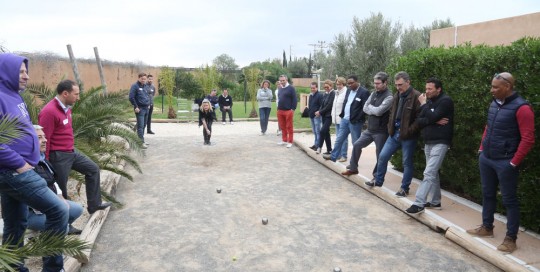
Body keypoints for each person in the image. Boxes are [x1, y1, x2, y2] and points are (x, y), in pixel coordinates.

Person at [0, 53, 68, 272]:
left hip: (19, 168)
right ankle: (53, 269)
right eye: (21, 72)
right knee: (59, 210)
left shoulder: (15, 96)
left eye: (26, 71)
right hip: (13, 170)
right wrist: (19, 163)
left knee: (15, 224)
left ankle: (13, 268)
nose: (26, 76)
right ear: (6, 71)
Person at [466, 72, 535, 253]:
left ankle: (511, 238)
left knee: (509, 200)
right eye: (492, 86)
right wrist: (482, 149)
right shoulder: (495, 103)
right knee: (487, 194)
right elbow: (488, 127)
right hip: (487, 158)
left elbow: (528, 138)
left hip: (506, 162)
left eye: (496, 87)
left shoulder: (523, 108)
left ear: (508, 87)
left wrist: (513, 162)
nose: (492, 90)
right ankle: (487, 227)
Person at [38, 79, 112, 214]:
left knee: (93, 169)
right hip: (58, 155)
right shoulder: (49, 111)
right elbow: (44, 139)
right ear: (65, 93)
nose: (78, 97)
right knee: (61, 188)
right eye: (76, 94)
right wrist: (46, 163)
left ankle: (94, 205)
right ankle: (65, 222)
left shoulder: (66, 109)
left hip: (71, 152)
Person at [366, 71, 421, 197]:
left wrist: (408, 131)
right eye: (396, 85)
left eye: (400, 85)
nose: (398, 87)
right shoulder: (397, 95)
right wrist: (390, 127)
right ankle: (378, 181)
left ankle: (404, 188)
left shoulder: (416, 96)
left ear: (408, 82)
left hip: (408, 136)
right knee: (383, 156)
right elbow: (392, 113)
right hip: (394, 133)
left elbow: (419, 119)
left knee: (407, 162)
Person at [405, 77, 454, 214]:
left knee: (429, 172)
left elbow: (429, 117)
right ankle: (435, 201)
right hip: (428, 141)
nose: (426, 91)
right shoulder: (430, 102)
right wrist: (434, 119)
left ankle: (419, 203)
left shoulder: (445, 101)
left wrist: (424, 106)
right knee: (433, 173)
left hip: (441, 141)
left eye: (430, 89)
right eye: (426, 89)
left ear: (439, 89)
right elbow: (419, 120)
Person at [29, 125, 84, 235]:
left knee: (77, 209)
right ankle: (52, 231)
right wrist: (57, 207)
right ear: (28, 141)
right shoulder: (26, 166)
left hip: (49, 205)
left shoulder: (42, 158)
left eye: (44, 137)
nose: (45, 140)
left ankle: (53, 228)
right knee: (61, 225)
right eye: (39, 137)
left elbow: (53, 181)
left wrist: (61, 198)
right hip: (32, 213)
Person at [341, 72, 393, 178]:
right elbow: (365, 107)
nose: (375, 85)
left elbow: (379, 111)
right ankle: (353, 168)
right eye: (374, 83)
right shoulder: (374, 93)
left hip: (381, 131)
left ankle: (376, 177)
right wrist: (374, 110)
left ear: (385, 83)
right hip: (370, 129)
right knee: (357, 145)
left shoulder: (389, 97)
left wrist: (372, 109)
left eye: (378, 83)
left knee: (380, 155)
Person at [323, 75, 370, 162]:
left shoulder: (364, 92)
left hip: (355, 122)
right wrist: (343, 115)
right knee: (339, 139)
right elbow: (346, 102)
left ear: (357, 82)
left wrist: (357, 118)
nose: (349, 85)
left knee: (355, 143)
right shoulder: (348, 90)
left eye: (351, 83)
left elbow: (365, 108)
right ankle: (333, 156)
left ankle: (354, 162)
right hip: (345, 120)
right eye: (348, 83)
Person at [129, 72, 151, 147]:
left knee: (144, 125)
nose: (143, 80)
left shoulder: (145, 86)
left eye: (145, 79)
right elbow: (131, 97)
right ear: (139, 78)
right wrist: (136, 107)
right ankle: (140, 143)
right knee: (140, 126)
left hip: (146, 108)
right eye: (142, 79)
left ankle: (141, 140)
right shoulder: (135, 86)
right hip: (140, 109)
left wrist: (148, 104)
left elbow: (147, 96)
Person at [276, 75, 297, 148]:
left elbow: (294, 99)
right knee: (282, 126)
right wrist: (278, 109)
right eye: (281, 81)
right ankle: (284, 140)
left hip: (288, 110)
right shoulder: (280, 88)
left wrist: (293, 109)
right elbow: (279, 98)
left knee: (289, 126)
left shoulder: (291, 88)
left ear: (286, 80)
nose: (282, 82)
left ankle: (290, 141)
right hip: (280, 110)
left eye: (283, 80)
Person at [315, 79, 335, 154]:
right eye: (325, 87)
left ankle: (319, 147)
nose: (326, 88)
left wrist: (320, 112)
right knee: (326, 133)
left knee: (322, 131)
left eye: (327, 87)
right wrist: (319, 112)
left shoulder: (333, 93)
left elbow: (329, 105)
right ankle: (329, 149)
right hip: (324, 115)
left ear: (331, 86)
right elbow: (322, 105)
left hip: (329, 116)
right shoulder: (325, 94)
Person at [330, 77, 349, 157]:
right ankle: (338, 154)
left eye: (340, 84)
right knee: (338, 137)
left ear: (343, 84)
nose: (338, 86)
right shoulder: (336, 92)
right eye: (337, 84)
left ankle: (343, 154)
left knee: (343, 138)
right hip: (336, 117)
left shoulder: (346, 92)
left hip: (343, 118)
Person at [308, 82, 322, 150]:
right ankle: (315, 144)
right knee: (314, 131)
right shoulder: (311, 95)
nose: (312, 89)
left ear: (317, 87)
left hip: (317, 116)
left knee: (318, 131)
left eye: (314, 88)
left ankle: (318, 145)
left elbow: (322, 105)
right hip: (311, 115)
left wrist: (319, 112)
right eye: (311, 88)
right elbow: (310, 105)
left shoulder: (319, 95)